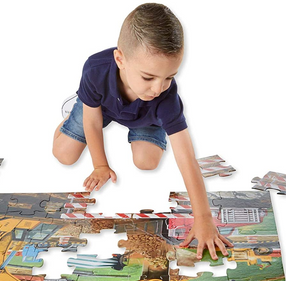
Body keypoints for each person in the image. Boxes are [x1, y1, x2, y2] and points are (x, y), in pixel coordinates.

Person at [52, 3, 232, 260]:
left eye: (169, 77)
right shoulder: (94, 69)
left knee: (146, 162)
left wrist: (203, 218)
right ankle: (72, 113)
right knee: (64, 155)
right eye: (148, 77)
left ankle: (140, 119)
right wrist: (100, 165)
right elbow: (92, 122)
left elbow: (186, 156)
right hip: (99, 107)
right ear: (120, 60)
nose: (158, 87)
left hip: (144, 118)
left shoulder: (166, 97)